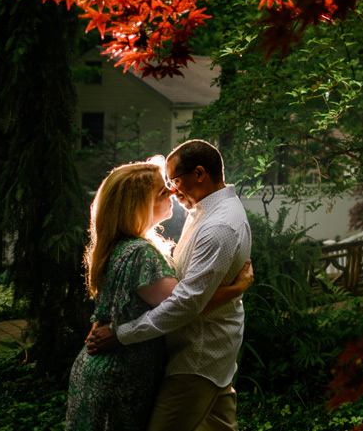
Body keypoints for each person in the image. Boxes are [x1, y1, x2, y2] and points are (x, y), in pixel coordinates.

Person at [66, 161, 253, 431]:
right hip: (119, 375)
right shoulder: (140, 253)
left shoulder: (122, 246)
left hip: (106, 369)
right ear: (137, 205)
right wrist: (237, 289)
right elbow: (185, 305)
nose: (172, 192)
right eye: (162, 191)